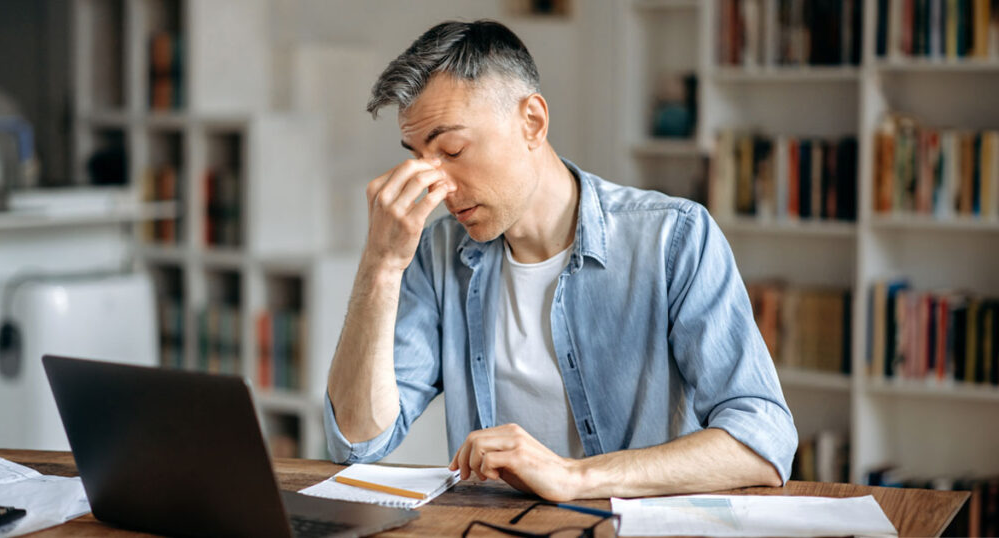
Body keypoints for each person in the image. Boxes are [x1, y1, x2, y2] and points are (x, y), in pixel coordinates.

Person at [325, 19, 797, 502]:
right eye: (421, 159)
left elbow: (764, 439)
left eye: (452, 150)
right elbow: (358, 441)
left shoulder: (673, 238)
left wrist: (576, 477)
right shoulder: (437, 255)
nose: (436, 186)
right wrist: (379, 267)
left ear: (533, 121)